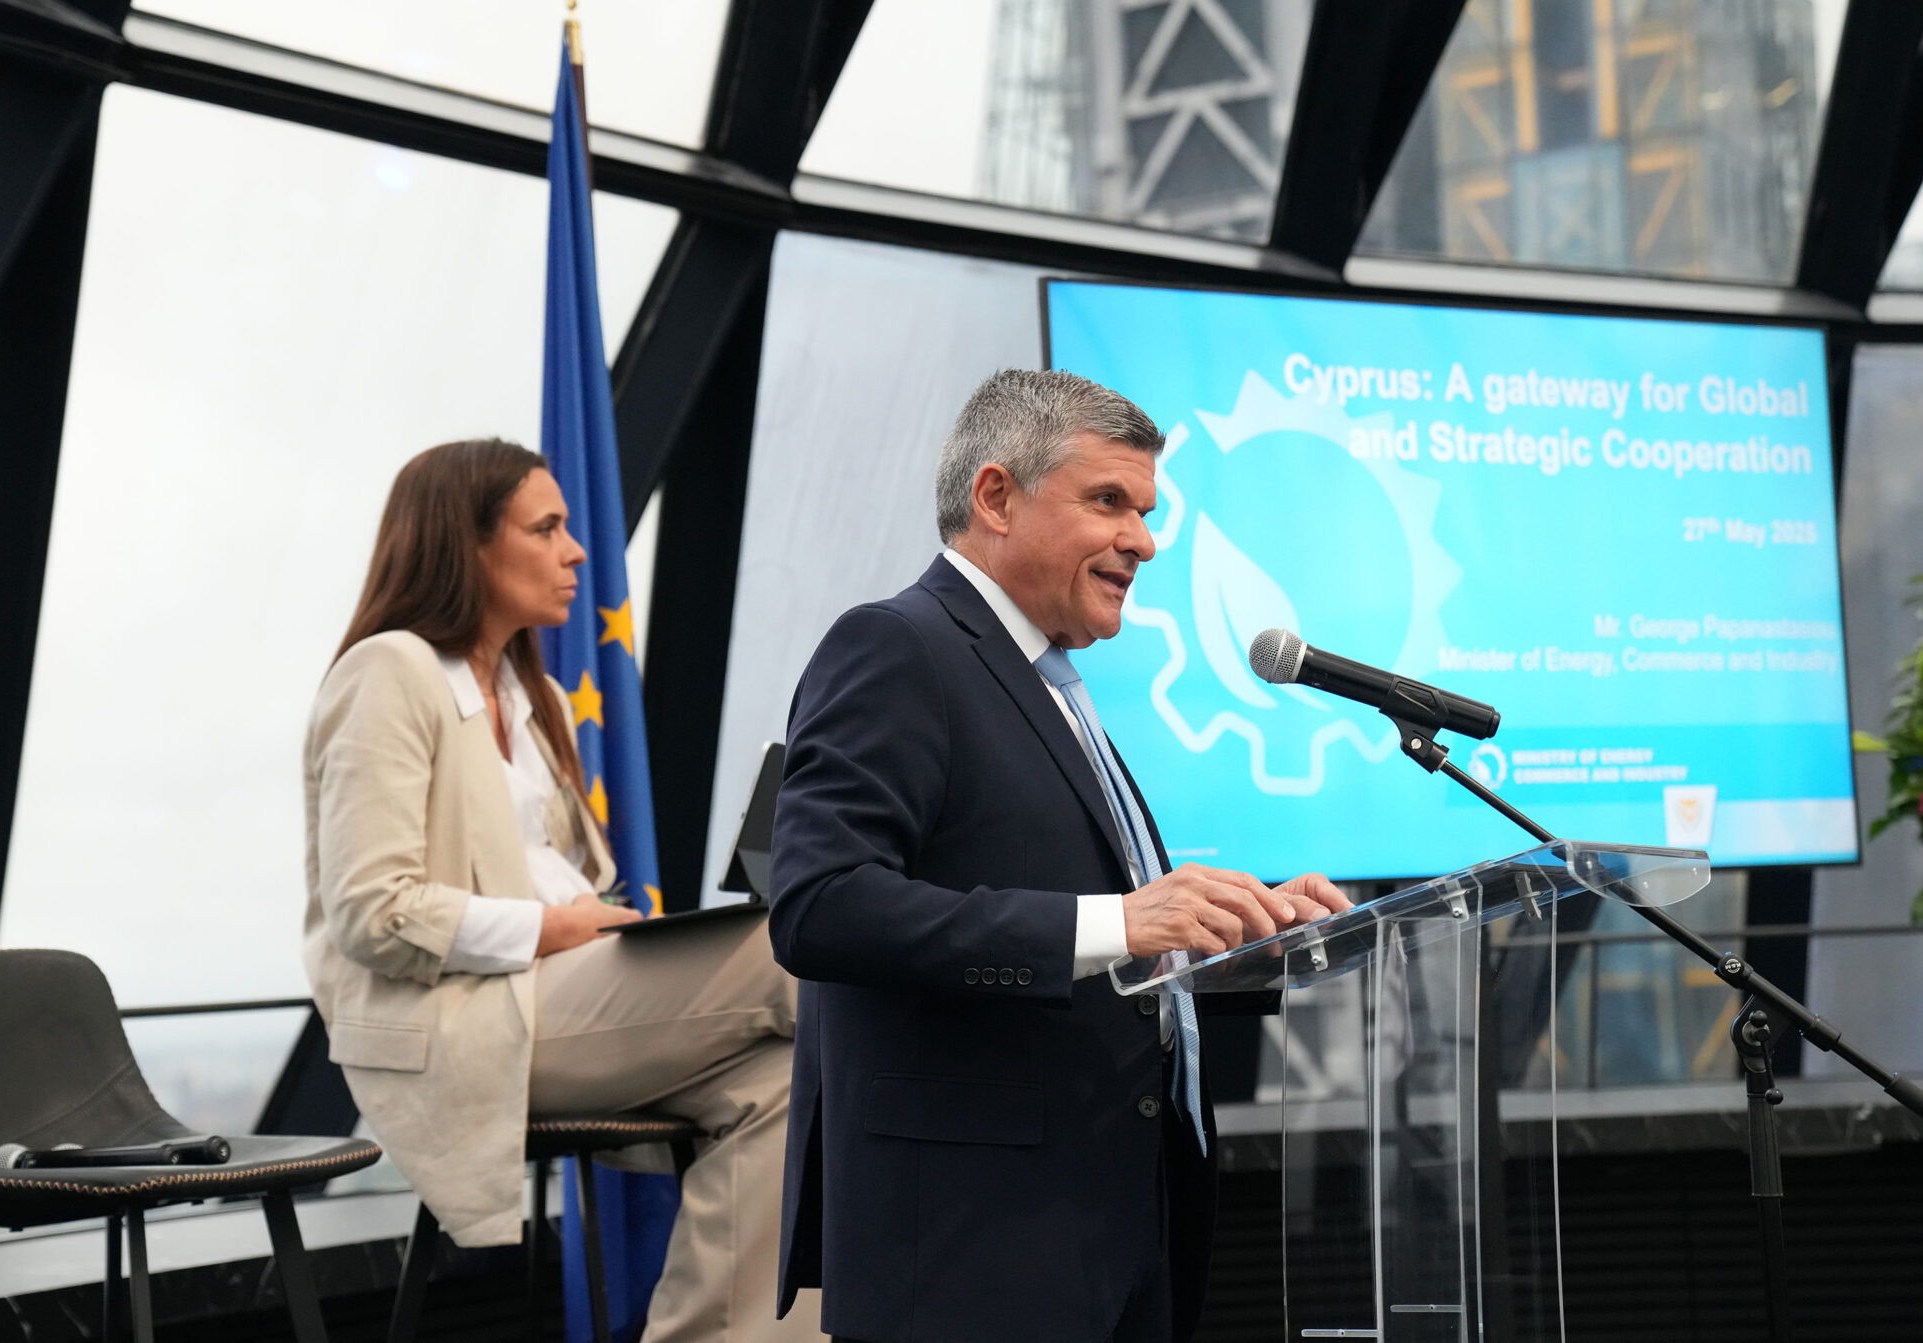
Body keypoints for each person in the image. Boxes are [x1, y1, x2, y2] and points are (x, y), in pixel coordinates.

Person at [768, 371, 1351, 1343]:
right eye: (1108, 500)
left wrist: (1231, 936)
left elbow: (1096, 950)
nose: (1143, 539)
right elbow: (820, 905)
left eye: (1146, 511)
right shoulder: (897, 646)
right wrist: (1120, 919)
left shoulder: (1054, 683)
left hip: (1112, 1232)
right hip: (971, 1254)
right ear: (996, 497)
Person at [303, 438, 820, 1343]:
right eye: (546, 528)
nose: (576, 550)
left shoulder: (527, 691)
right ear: (466, 546)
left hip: (555, 993)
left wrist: (603, 923)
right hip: (461, 1017)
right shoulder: (389, 672)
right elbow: (371, 912)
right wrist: (555, 927)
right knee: (798, 953)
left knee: (791, 1084)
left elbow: (566, 877)